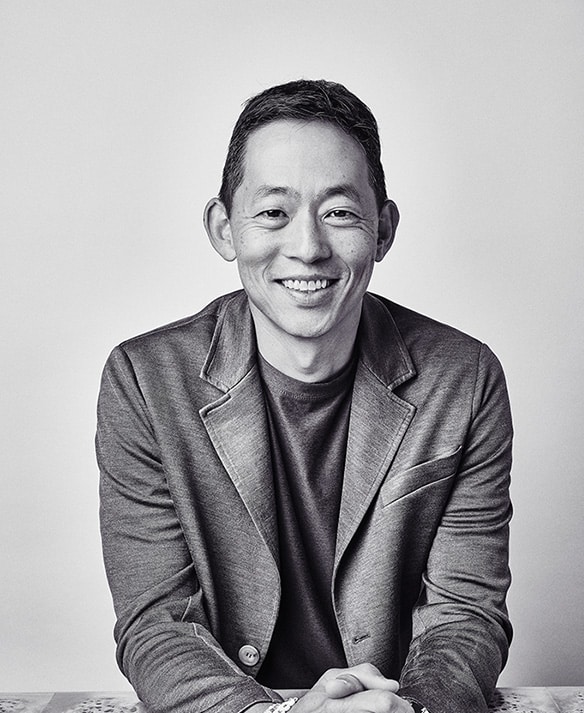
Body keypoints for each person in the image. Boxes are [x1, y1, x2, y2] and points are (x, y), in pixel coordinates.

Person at [96, 79, 513, 713]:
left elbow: (465, 615)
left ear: (383, 229)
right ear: (224, 229)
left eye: (340, 212)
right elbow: (157, 623)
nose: (308, 247)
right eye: (273, 212)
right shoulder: (144, 382)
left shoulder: (464, 378)